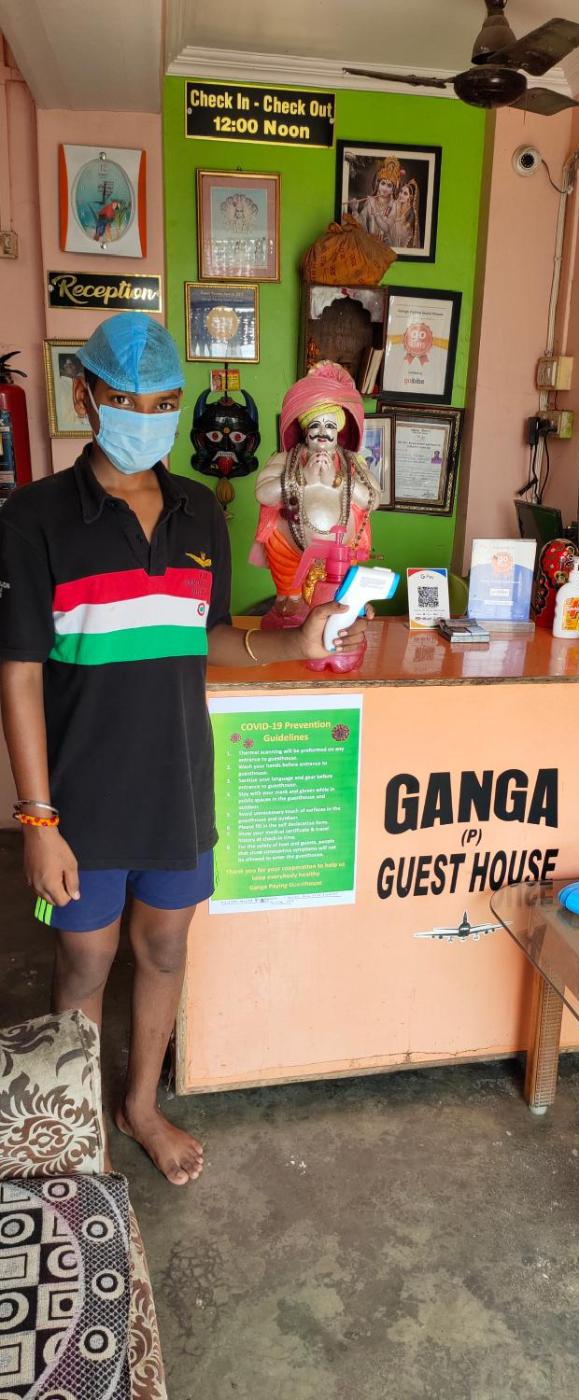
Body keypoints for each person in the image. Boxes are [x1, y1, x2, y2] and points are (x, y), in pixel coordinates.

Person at [0, 313, 370, 1186]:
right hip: (81, 794)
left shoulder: (201, 509)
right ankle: (76, 1128)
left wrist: (294, 640)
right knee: (86, 958)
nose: (147, 418)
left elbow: (205, 640)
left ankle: (138, 1107)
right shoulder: (34, 517)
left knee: (164, 948)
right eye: (126, 400)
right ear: (85, 397)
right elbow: (18, 674)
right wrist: (38, 820)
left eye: (164, 401)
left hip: (179, 786)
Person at [250, 360, 380, 624]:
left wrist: (340, 482)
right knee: (289, 609)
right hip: (288, 547)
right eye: (315, 426)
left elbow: (373, 499)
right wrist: (301, 479)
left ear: (339, 430)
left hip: (341, 552)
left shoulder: (353, 462)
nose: (323, 433)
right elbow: (263, 493)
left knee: (338, 601)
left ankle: (342, 600)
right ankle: (289, 597)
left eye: (330, 426)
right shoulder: (285, 459)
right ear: (305, 430)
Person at [349, 155, 402, 246]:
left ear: (393, 190)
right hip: (370, 246)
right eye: (383, 183)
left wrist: (375, 210)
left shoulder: (394, 205)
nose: (385, 188)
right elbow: (362, 226)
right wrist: (354, 210)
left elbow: (386, 228)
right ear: (378, 185)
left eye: (389, 185)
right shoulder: (370, 201)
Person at [393, 178, 421, 250]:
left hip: (403, 244)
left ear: (410, 197)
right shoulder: (396, 205)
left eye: (405, 194)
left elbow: (404, 231)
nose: (401, 195)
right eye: (401, 192)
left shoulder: (411, 212)